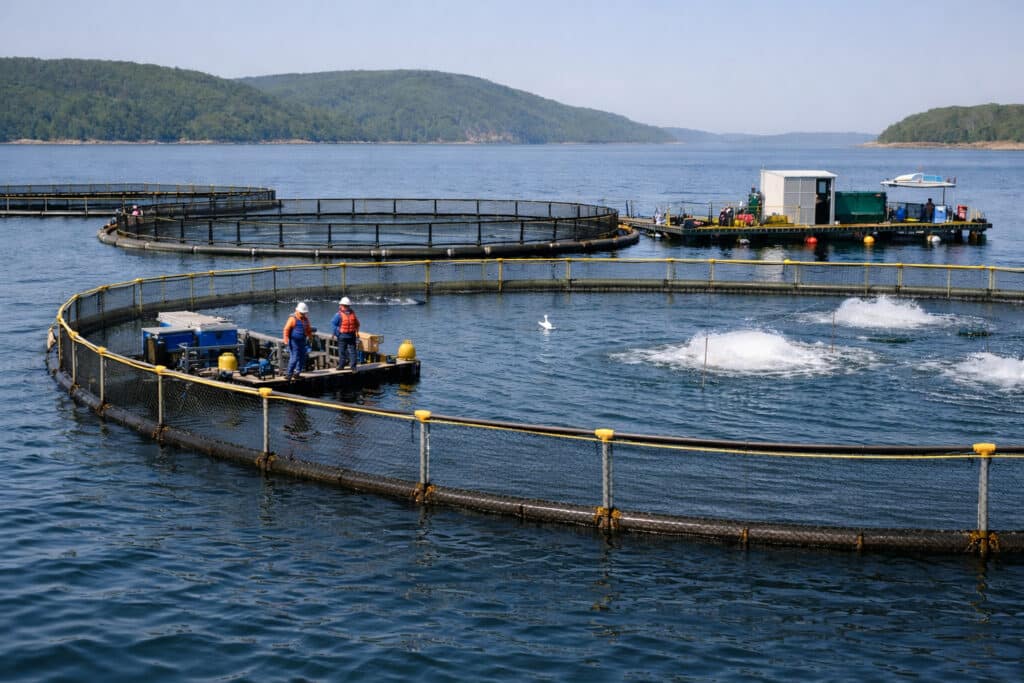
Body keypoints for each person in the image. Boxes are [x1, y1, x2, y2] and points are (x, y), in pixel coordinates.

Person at [282, 302, 314, 381]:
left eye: (304, 313)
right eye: (302, 313)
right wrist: (286, 339)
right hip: (294, 342)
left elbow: (308, 330)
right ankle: (289, 374)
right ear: (298, 311)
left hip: (302, 341)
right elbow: (286, 329)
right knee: (294, 358)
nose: (303, 314)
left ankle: (297, 373)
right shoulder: (292, 319)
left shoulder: (306, 320)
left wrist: (310, 338)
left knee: (302, 357)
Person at [331, 296, 360, 371]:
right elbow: (357, 324)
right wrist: (356, 332)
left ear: (341, 305)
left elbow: (333, 324)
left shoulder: (340, 314)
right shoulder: (349, 314)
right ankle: (349, 366)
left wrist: (336, 333)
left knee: (345, 351)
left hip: (346, 336)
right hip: (347, 335)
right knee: (348, 351)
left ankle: (346, 366)